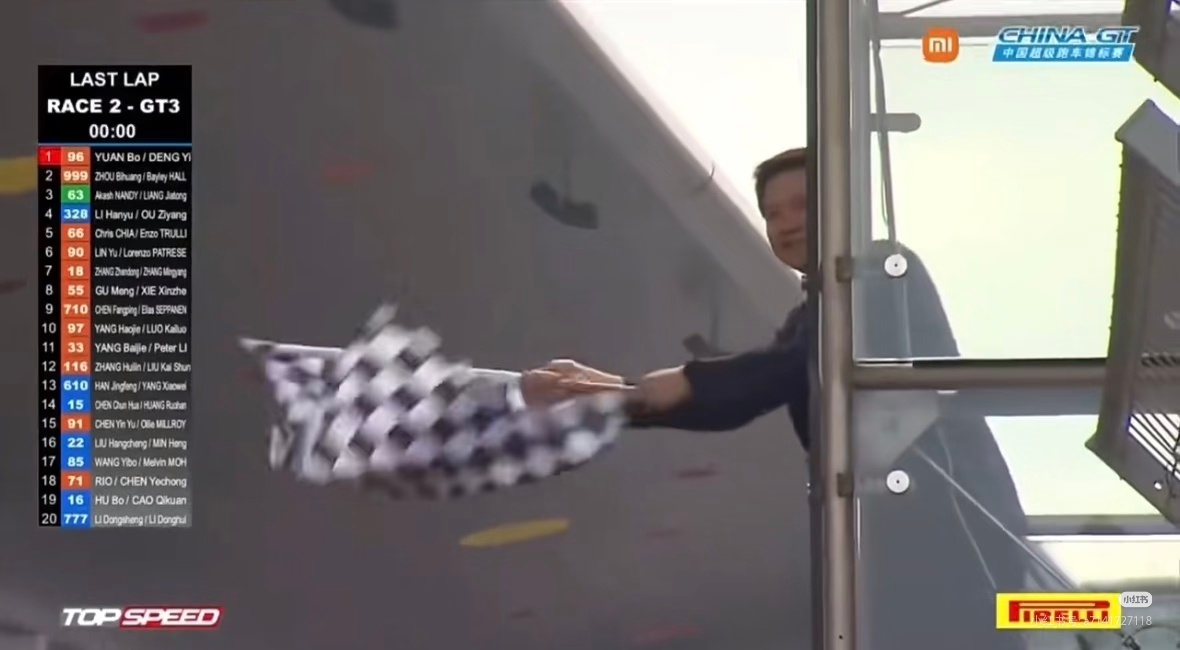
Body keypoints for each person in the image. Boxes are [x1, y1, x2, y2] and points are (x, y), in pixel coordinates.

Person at [516, 147, 1032, 650]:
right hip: (897, 545)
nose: (785, 223)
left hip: (951, 536)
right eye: (772, 213)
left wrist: (675, 381)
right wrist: (611, 395)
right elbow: (744, 395)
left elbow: (783, 370)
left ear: (843, 203)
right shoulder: (808, 318)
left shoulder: (884, 270)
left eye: (801, 205)